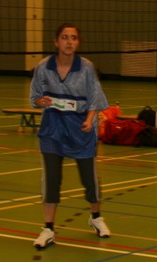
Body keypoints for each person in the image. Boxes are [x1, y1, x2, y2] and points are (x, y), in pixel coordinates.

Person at [29, 23, 111, 249]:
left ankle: (96, 217)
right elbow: (34, 97)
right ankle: (48, 228)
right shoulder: (43, 67)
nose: (69, 41)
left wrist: (89, 120)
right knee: (51, 179)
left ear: (78, 43)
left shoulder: (86, 68)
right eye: (64, 37)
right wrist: (40, 101)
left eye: (73, 38)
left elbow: (96, 99)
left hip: (81, 128)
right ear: (56, 41)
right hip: (53, 128)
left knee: (89, 180)